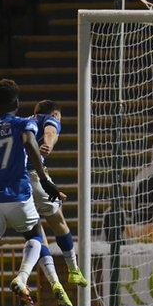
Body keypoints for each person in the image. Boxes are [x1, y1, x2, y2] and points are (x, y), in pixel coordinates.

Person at [0, 80, 73, 306]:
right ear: (17, 103)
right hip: (18, 195)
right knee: (36, 235)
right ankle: (22, 277)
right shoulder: (23, 123)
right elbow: (29, 142)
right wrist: (46, 183)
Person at [27, 100, 88, 287]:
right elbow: (50, 132)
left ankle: (47, 280)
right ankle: (74, 270)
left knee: (34, 230)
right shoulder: (50, 119)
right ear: (54, 114)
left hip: (10, 183)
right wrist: (48, 144)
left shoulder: (22, 122)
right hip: (33, 176)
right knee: (58, 222)